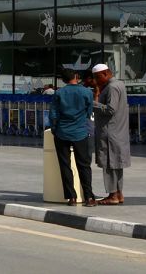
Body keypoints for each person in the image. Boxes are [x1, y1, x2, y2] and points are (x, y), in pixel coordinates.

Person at [49, 69, 97, 206]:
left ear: (63, 80)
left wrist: (54, 129)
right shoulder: (87, 92)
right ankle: (89, 197)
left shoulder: (59, 93)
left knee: (65, 165)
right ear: (76, 77)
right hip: (80, 133)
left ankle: (72, 197)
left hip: (62, 133)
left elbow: (53, 113)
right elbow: (89, 112)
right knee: (84, 165)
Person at [92, 63, 130, 205]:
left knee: (109, 165)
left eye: (97, 77)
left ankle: (112, 195)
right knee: (116, 165)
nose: (96, 81)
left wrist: (93, 103)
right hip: (118, 132)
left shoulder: (112, 87)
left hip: (110, 133)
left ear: (106, 73)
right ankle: (119, 194)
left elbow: (110, 109)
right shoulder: (120, 84)